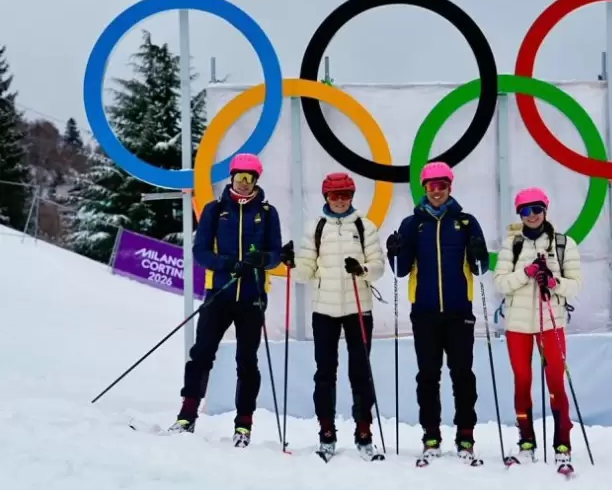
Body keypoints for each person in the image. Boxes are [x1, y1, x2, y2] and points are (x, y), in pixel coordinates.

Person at [168, 153, 283, 448]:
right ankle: (187, 414)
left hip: (253, 296)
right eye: (239, 178)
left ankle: (244, 424)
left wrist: (261, 259)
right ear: (231, 178)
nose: (243, 184)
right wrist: (227, 264)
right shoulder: (215, 209)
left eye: (249, 179)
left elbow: (275, 255)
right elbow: (201, 251)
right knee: (202, 353)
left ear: (256, 181)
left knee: (247, 360)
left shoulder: (268, 213)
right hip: (219, 292)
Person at [385, 161, 489, 462]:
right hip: (425, 313)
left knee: (463, 376)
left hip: (459, 312)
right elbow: (400, 271)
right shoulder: (412, 224)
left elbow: (480, 268)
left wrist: (481, 254)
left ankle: (465, 436)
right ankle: (431, 436)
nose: (436, 192)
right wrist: (395, 251)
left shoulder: (466, 222)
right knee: (428, 377)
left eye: (441, 186)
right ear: (424, 188)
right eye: (431, 186)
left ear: (449, 187)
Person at [279, 172, 386, 460]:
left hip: (358, 309)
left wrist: (361, 270)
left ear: (352, 196)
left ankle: (364, 434)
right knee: (325, 373)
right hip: (324, 310)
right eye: (334, 195)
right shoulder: (317, 227)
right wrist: (291, 263)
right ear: (325, 196)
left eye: (345, 195)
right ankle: (326, 434)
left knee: (360, 373)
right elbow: (306, 271)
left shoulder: (365, 226)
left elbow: (378, 266)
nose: (340, 201)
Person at [492, 187, 582, 471]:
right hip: (517, 325)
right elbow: (500, 283)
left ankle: (562, 444)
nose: (531, 215)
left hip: (551, 322)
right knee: (522, 380)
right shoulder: (512, 245)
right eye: (525, 211)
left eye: (536, 209)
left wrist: (553, 281)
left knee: (555, 380)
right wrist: (527, 272)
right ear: (519, 214)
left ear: (545, 210)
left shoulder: (563, 243)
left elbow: (576, 286)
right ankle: (526, 442)